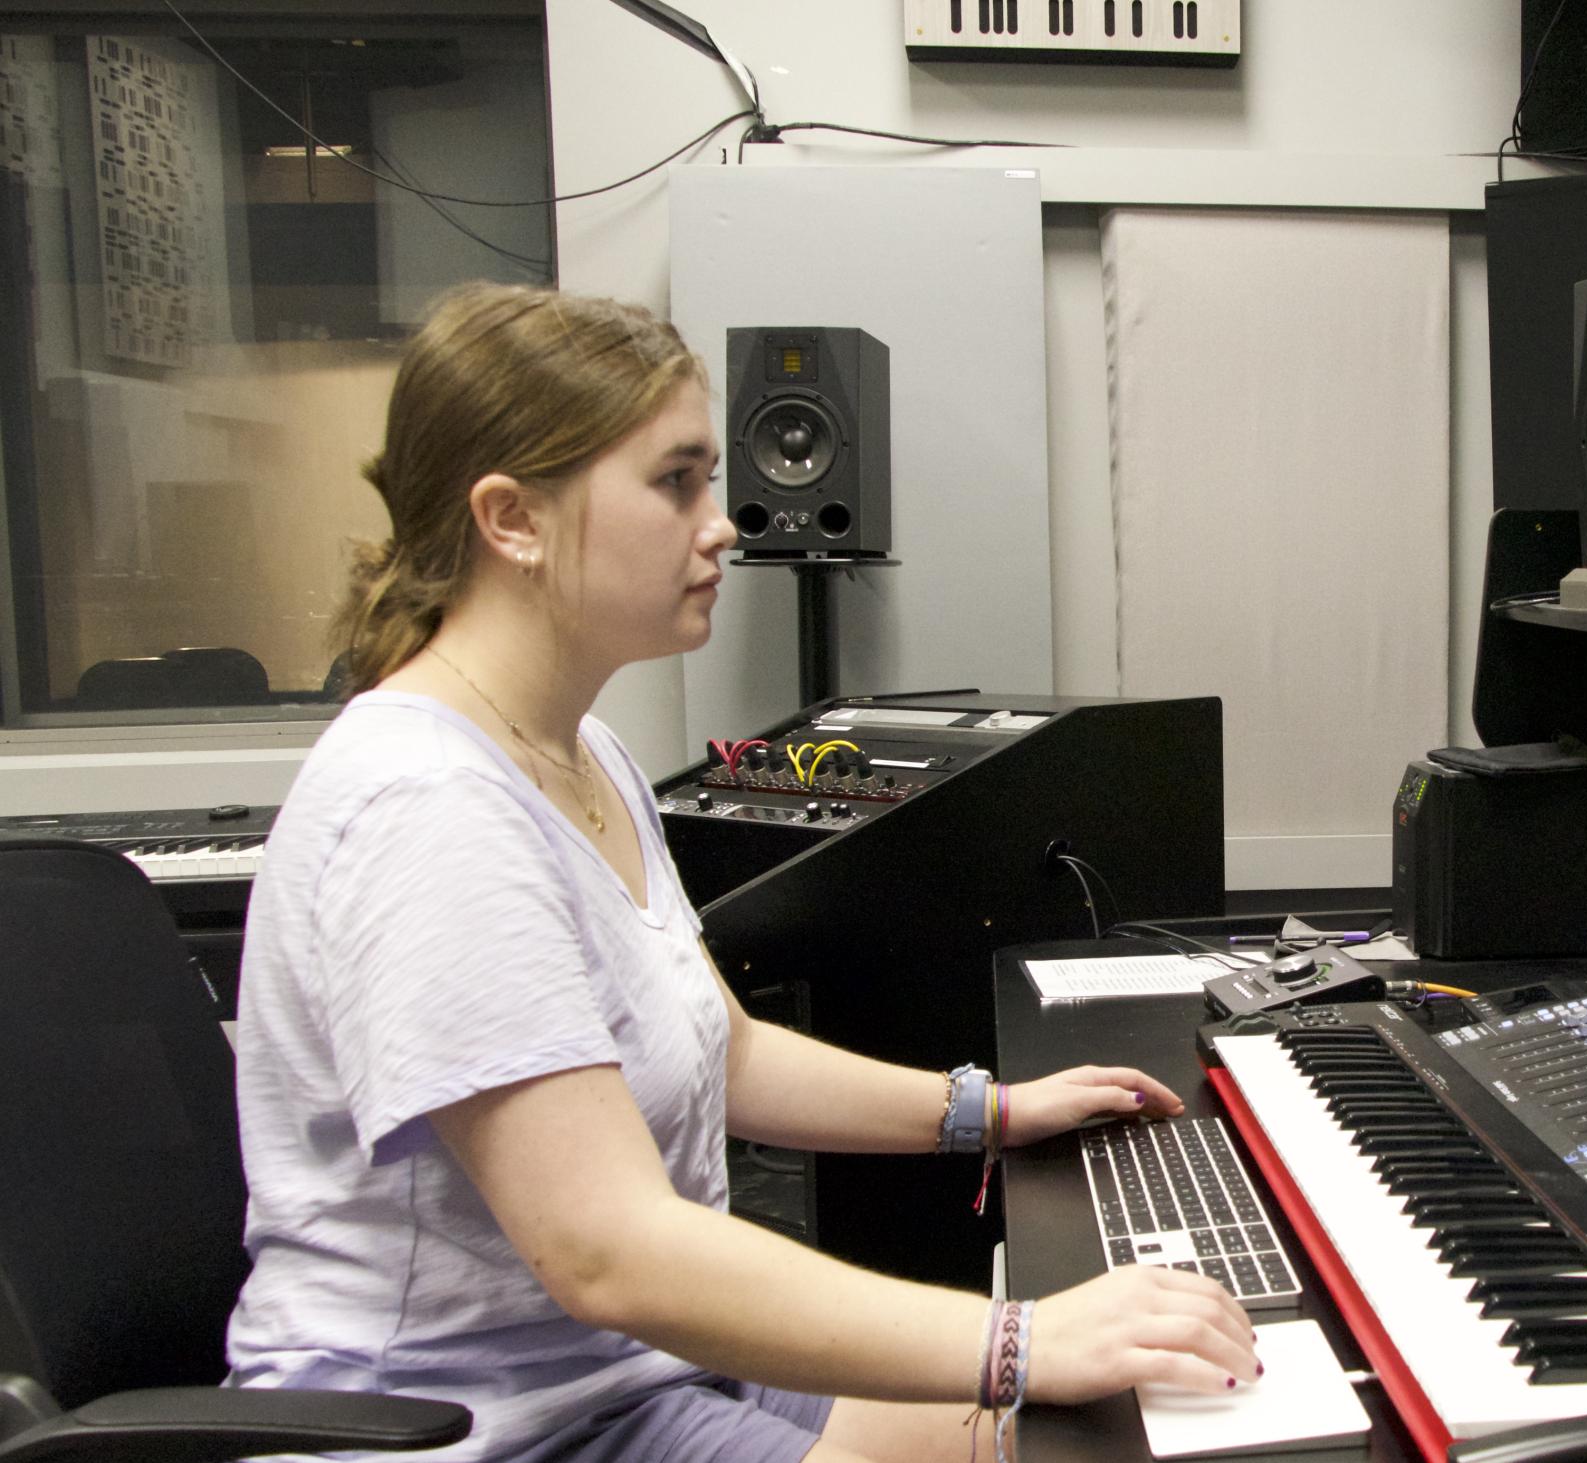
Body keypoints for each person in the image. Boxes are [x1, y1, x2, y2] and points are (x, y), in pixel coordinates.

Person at [224, 282, 1259, 1462]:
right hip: (468, 1428)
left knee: (1102, 1434)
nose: (720, 523)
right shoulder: (427, 806)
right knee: (1057, 1432)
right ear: (511, 518)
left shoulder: (583, 751)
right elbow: (607, 1249)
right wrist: (1015, 1338)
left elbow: (729, 1050)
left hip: (627, 1374)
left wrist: (987, 1110)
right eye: (674, 482)